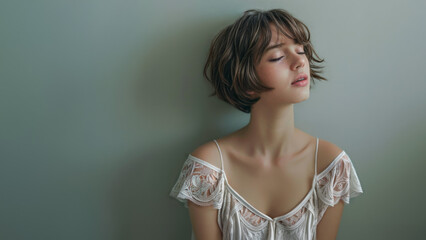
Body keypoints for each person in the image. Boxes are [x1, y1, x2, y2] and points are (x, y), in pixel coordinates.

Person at [169, 8, 363, 240]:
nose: (300, 61)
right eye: (277, 57)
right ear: (245, 79)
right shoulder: (209, 168)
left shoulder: (330, 164)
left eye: (301, 50)